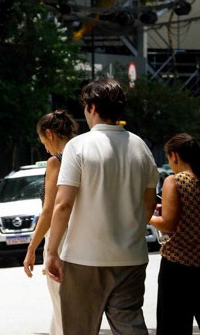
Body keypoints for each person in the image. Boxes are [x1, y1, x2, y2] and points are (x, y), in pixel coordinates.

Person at [45, 79, 159, 334]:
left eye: (85, 106)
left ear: (93, 107)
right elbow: (149, 202)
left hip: (84, 258)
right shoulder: (141, 147)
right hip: (131, 258)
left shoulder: (78, 146)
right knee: (129, 326)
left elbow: (63, 204)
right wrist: (132, 232)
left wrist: (52, 251)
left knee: (79, 328)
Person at [23, 110, 78, 335]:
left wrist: (31, 248)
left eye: (44, 141)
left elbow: (49, 211)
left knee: (62, 307)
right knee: (76, 309)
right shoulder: (83, 154)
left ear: (50, 134)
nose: (45, 148)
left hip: (60, 239)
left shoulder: (56, 161)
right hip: (83, 237)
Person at [149, 133, 200, 334]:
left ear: (174, 156)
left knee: (173, 326)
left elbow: (168, 224)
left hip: (177, 266)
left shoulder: (175, 181)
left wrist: (147, 217)